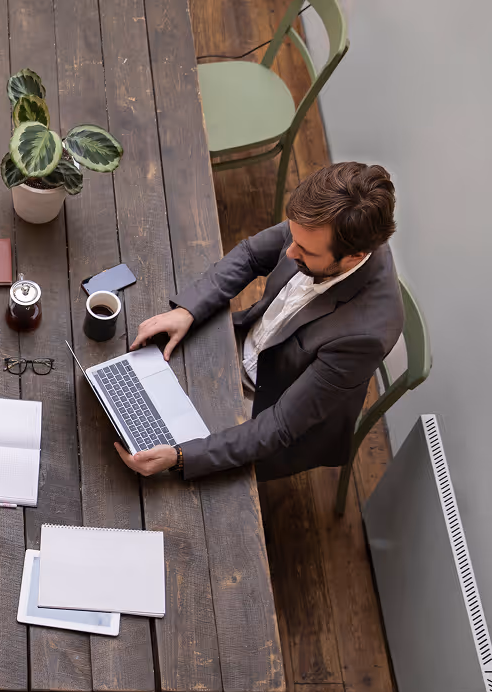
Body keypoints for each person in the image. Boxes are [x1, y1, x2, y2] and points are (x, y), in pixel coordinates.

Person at [118, 162, 404, 482]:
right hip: (243, 346)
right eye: (292, 235)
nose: (289, 251)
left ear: (353, 257)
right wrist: (186, 311)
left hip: (267, 404)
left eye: (305, 251)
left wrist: (181, 457)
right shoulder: (324, 226)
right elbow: (253, 255)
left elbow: (280, 425)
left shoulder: (365, 336)